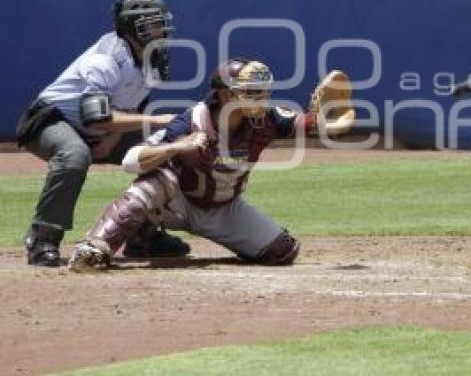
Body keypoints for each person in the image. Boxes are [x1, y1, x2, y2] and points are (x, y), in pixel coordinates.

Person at [68, 58, 354, 271]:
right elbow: (130, 162)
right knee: (155, 182)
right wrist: (176, 147)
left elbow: (306, 123)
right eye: (250, 92)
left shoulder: (265, 120)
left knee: (281, 253)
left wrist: (329, 121)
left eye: (262, 91)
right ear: (225, 94)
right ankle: (97, 247)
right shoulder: (190, 121)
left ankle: (145, 236)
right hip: (176, 202)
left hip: (223, 207)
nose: (260, 99)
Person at [16, 0, 190, 267]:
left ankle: (143, 233)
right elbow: (95, 118)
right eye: (153, 23)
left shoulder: (152, 57)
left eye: (160, 22)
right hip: (50, 120)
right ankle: (43, 238)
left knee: (168, 148)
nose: (160, 29)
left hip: (100, 128)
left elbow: (132, 106)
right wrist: (156, 120)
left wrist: (113, 140)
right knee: (74, 155)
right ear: (133, 26)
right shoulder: (105, 59)